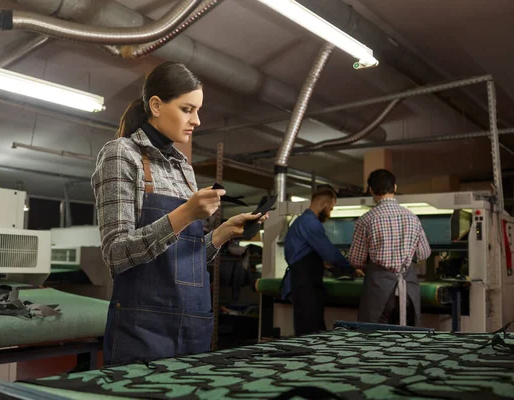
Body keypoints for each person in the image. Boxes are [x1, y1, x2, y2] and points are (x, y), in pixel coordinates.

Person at [92, 62, 267, 365]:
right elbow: (115, 254)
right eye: (188, 109)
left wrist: (223, 233)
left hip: (192, 326)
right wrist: (186, 214)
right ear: (157, 106)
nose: (197, 120)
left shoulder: (183, 168)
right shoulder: (122, 154)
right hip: (143, 328)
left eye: (198, 110)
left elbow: (185, 257)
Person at [349, 169, 431, 326]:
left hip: (378, 292)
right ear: (394, 187)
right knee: (405, 338)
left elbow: (356, 259)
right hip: (408, 291)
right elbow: (424, 253)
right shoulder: (412, 218)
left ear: (371, 190)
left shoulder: (366, 220)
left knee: (376, 339)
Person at [281, 187, 357, 335]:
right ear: (323, 204)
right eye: (331, 208)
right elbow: (330, 253)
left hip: (302, 283)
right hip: (305, 285)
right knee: (310, 333)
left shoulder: (300, 221)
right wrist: (351, 268)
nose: (330, 212)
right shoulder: (310, 223)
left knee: (308, 330)